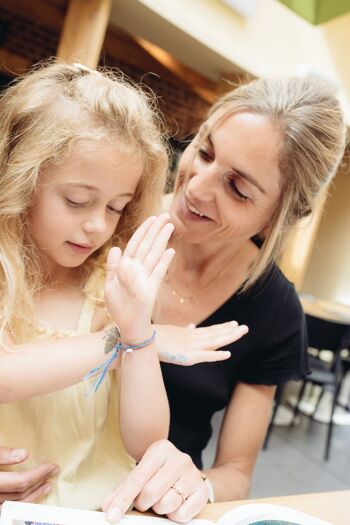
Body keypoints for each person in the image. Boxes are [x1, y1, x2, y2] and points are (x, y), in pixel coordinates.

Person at [0, 61, 245, 512]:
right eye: (76, 200)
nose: (97, 225)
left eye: (116, 207)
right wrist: (123, 342)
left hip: (96, 510)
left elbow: (146, 442)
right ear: (22, 175)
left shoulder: (103, 287)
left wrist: (137, 335)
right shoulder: (4, 271)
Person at [101, 75, 347, 522]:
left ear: (277, 219)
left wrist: (196, 482)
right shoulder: (107, 215)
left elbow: (236, 471)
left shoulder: (274, 312)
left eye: (237, 189)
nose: (195, 187)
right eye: (205, 150)